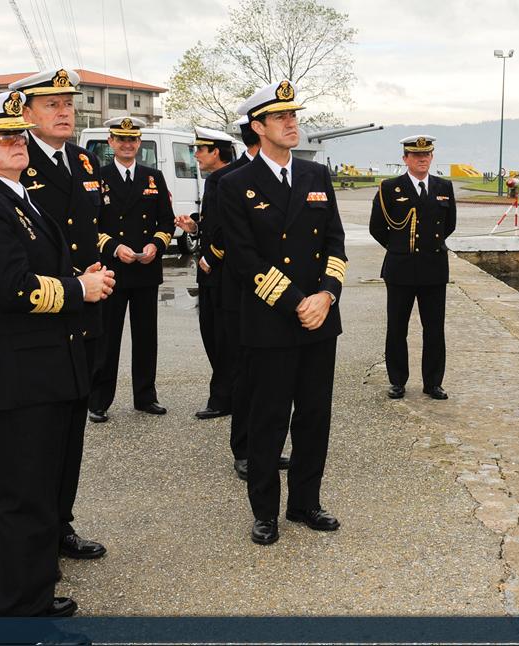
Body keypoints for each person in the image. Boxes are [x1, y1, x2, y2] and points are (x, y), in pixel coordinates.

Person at [0, 91, 115, 616]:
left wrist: (74, 281)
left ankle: (26, 597)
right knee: (24, 504)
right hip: (17, 382)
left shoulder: (15, 197)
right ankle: (20, 617)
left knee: (34, 500)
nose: (17, 143)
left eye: (18, 134)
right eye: (3, 137)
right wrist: (78, 289)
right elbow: (13, 289)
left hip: (45, 375)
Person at [217, 80, 346, 544]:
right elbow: (245, 258)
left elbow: (335, 241)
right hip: (271, 320)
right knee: (268, 420)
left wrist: (327, 295)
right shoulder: (234, 184)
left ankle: (306, 503)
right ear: (258, 127)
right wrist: (298, 303)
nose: (293, 123)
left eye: (294, 116)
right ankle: (265, 512)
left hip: (319, 318)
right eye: (281, 117)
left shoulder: (316, 176)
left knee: (315, 415)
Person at [9, 67, 107, 561]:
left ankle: (61, 524)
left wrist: (96, 268)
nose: (65, 111)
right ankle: (38, 538)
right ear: (26, 114)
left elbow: (93, 229)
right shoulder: (17, 163)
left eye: (69, 103)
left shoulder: (83, 161)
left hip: (84, 318)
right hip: (44, 317)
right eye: (52, 104)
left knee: (71, 434)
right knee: (41, 442)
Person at [89, 116, 174, 422]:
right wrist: (114, 247)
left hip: (145, 269)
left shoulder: (154, 177)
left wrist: (156, 245)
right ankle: (99, 400)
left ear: (140, 143)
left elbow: (166, 220)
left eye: (133, 140)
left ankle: (145, 396)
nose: (127, 145)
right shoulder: (98, 177)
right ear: (110, 143)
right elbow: (90, 225)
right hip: (111, 270)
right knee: (107, 337)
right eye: (121, 140)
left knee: (146, 336)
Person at [368, 135, 456, 400]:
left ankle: (433, 383)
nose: (422, 159)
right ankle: (397, 380)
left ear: (431, 157)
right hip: (400, 269)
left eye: (426, 155)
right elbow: (377, 227)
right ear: (405, 158)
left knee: (434, 329)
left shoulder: (443, 186)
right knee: (397, 328)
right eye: (416, 156)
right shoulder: (389, 187)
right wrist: (398, 248)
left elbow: (449, 224)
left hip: (434, 268)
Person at [176, 125, 237, 420]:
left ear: (216, 152)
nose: (196, 155)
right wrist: (196, 228)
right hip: (212, 271)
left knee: (219, 336)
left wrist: (212, 255)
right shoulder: (216, 179)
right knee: (214, 334)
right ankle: (225, 394)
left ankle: (224, 398)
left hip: (221, 272)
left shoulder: (224, 180)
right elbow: (214, 223)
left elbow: (231, 226)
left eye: (200, 149)